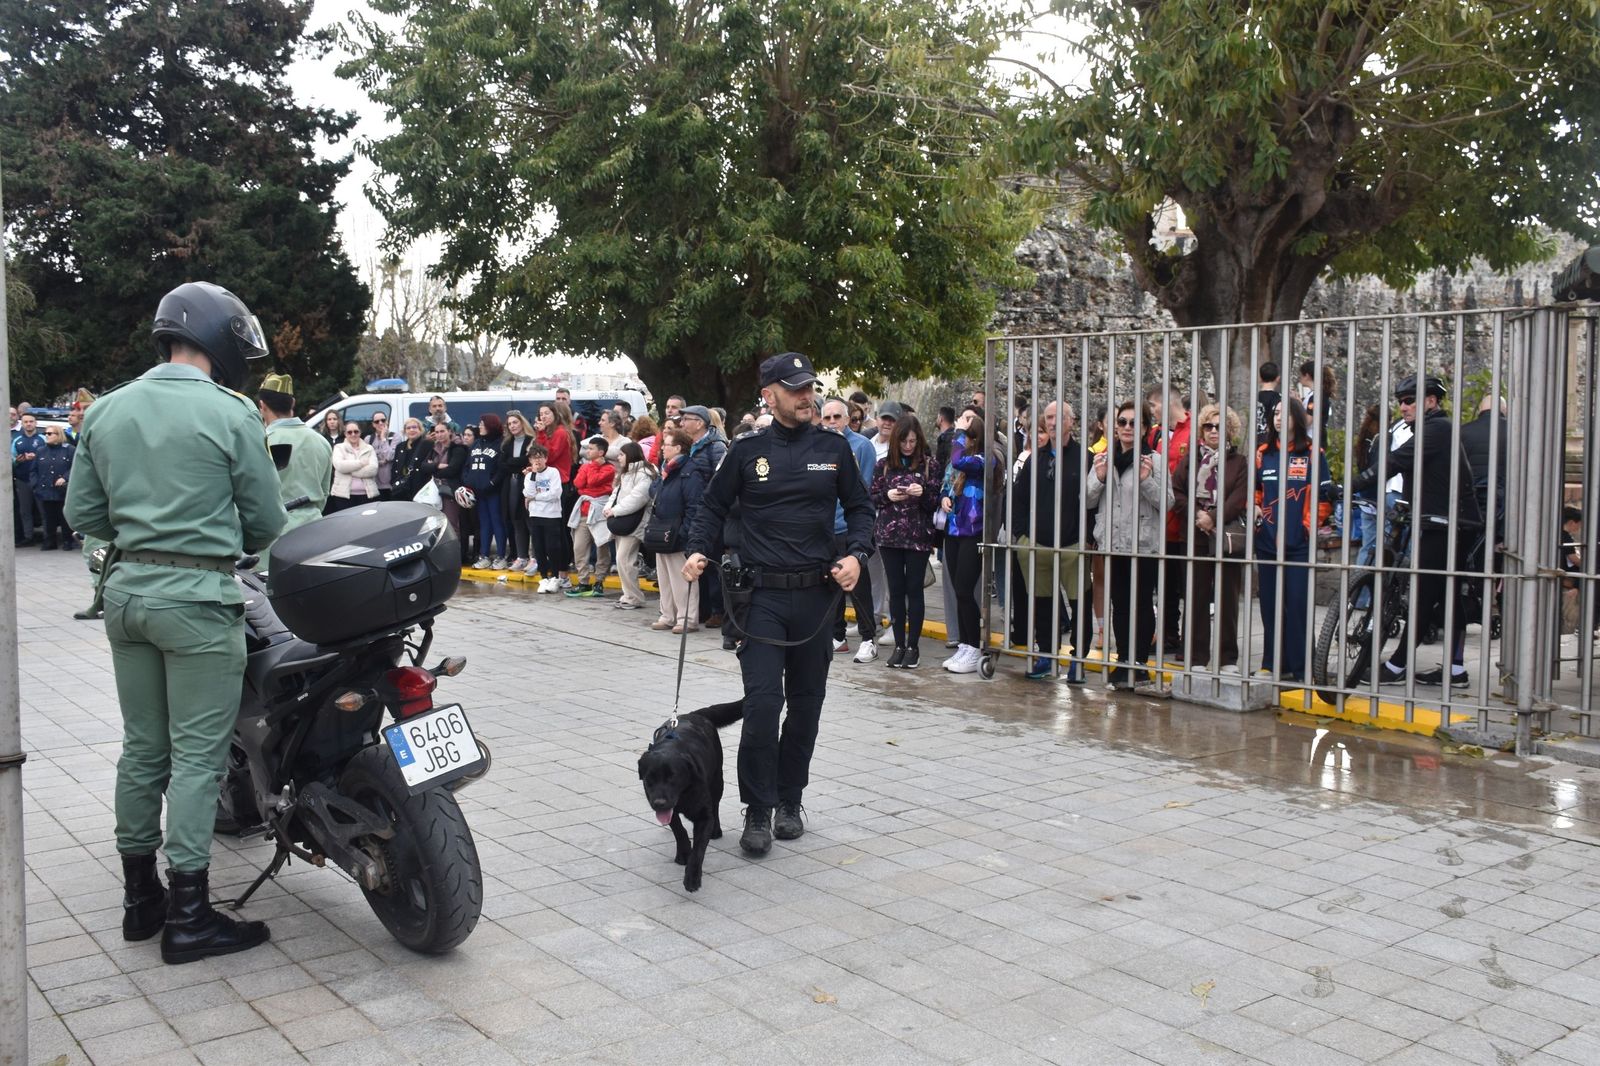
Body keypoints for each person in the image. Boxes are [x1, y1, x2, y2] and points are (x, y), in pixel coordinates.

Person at [64, 280, 287, 964]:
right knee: (196, 756)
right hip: (197, 600)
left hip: (126, 595)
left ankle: (141, 903)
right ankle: (190, 914)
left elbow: (83, 516)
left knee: (143, 750)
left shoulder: (105, 411)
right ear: (220, 339)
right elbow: (267, 521)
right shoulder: (231, 413)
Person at [683, 352, 872, 856]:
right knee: (764, 707)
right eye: (794, 389)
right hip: (761, 600)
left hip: (817, 598)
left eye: (809, 386)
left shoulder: (834, 449)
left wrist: (857, 554)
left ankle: (791, 799)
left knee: (807, 708)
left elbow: (860, 509)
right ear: (769, 395)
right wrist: (699, 549)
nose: (806, 395)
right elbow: (712, 506)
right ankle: (758, 809)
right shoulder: (747, 452)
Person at [1351, 374, 1484, 687]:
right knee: (1446, 595)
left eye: (1410, 400)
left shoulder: (1437, 428)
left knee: (1425, 592)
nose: (1403, 407)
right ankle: (1455, 671)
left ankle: (1397, 666)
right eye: (1400, 401)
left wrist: (1353, 485)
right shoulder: (1428, 429)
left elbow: (1395, 462)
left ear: (1431, 401)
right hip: (1443, 521)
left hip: (1450, 525)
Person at [1086, 399, 1172, 689]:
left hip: (1142, 544)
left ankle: (1139, 664)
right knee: (1119, 605)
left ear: (1146, 427)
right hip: (1112, 543)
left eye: (1135, 423)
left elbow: (1168, 502)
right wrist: (1098, 479)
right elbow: (1085, 499)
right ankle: (1123, 662)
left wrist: (1147, 480)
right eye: (1122, 422)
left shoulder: (1155, 460)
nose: (1127, 428)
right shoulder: (1103, 459)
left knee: (1142, 604)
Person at [1253, 396, 1334, 681]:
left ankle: (1303, 668)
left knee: (1298, 605)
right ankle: (1273, 664)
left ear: (1297, 418)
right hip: (1267, 542)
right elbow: (1256, 490)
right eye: (1274, 413)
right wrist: (1255, 508)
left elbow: (1324, 497)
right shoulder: (1263, 452)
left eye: (1284, 413)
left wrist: (1308, 527)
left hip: (1298, 544)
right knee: (1271, 607)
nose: (1277, 418)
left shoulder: (1313, 453)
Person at [1010, 401, 1088, 682]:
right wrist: (1021, 538)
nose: (1053, 422)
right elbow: (1018, 500)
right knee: (1042, 602)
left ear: (1072, 421)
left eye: (1059, 417)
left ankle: (1078, 658)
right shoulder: (1035, 459)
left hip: (1072, 545)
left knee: (1080, 603)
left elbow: (1093, 502)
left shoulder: (1084, 457)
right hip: (1037, 544)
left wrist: (1087, 539)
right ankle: (1046, 654)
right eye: (1049, 417)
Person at [1172, 404, 1248, 670]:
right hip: (1194, 535)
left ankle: (1228, 658)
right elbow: (1177, 491)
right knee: (1196, 598)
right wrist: (1197, 515)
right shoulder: (1191, 458)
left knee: (1228, 599)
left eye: (1219, 426)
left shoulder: (1239, 462)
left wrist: (1212, 518)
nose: (1214, 431)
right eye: (1209, 426)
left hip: (1225, 536)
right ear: (1202, 429)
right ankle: (1196, 657)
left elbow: (1239, 497)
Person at [870, 413, 940, 668]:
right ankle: (899, 644)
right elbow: (873, 497)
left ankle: (913, 646)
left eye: (912, 441)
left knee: (914, 591)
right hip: (889, 536)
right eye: (904, 441)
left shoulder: (929, 465)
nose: (908, 446)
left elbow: (935, 502)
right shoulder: (884, 465)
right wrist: (888, 495)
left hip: (918, 537)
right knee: (895, 592)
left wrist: (922, 494)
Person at [820, 397, 882, 661]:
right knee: (829, 586)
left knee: (859, 586)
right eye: (827, 417)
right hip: (825, 527)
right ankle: (837, 636)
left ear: (848, 419)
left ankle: (869, 638)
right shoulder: (819, 446)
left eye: (837, 416)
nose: (832, 421)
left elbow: (862, 489)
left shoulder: (861, 445)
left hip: (850, 527)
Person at [255, 374, 331, 570]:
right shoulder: (321, 441)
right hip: (314, 534)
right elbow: (323, 495)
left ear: (262, 406)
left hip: (272, 540)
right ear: (293, 403)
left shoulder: (260, 442)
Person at [939, 408, 994, 673]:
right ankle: (964, 644)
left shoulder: (986, 459)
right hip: (954, 531)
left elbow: (958, 460)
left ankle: (974, 646)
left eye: (971, 436)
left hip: (973, 533)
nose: (965, 440)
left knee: (964, 589)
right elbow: (952, 478)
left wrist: (959, 432)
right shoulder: (964, 463)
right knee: (959, 590)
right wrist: (946, 498)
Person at [649, 428, 703, 633]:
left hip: (677, 533)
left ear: (679, 448)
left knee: (681, 578)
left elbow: (694, 506)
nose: (663, 448)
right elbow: (653, 491)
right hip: (662, 531)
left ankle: (687, 619)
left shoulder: (690, 471)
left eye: (667, 445)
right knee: (665, 578)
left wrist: (685, 532)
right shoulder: (666, 470)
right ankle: (668, 615)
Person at [606, 441, 656, 610]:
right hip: (623, 522)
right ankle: (628, 595)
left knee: (624, 560)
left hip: (635, 523)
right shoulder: (626, 473)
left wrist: (615, 510)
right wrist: (609, 508)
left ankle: (635, 597)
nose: (618, 457)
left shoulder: (643, 474)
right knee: (623, 561)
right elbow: (616, 493)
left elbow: (637, 498)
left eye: (621, 454)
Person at [567, 436, 616, 595]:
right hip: (583, 511)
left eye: (591, 449)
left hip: (599, 512)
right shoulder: (586, 466)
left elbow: (594, 481)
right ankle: (583, 581)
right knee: (579, 548)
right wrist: (590, 470)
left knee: (602, 548)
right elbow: (578, 484)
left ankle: (599, 580)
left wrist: (592, 468)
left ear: (601, 452)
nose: (587, 451)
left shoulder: (609, 468)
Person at [464, 414, 508, 568]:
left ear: (491, 425)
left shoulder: (500, 444)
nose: (480, 426)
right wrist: (467, 482)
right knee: (484, 524)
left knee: (497, 523)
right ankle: (484, 555)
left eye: (483, 424)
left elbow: (501, 469)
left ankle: (501, 556)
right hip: (478, 493)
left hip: (493, 492)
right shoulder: (475, 444)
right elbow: (467, 466)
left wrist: (491, 483)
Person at [522, 444, 566, 590]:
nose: (537, 461)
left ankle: (554, 577)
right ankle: (544, 578)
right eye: (534, 458)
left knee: (552, 547)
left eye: (540, 457)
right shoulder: (529, 476)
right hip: (535, 515)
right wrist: (533, 475)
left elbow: (555, 494)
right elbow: (528, 493)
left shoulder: (553, 472)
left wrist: (535, 497)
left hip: (551, 515)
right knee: (539, 547)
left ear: (546, 458)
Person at [500, 410, 536, 572]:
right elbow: (501, 464)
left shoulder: (531, 440)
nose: (512, 426)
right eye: (510, 424)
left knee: (530, 521)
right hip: (511, 484)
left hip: (527, 483)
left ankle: (534, 558)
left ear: (522, 423)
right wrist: (515, 463)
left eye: (515, 422)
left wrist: (512, 462)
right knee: (516, 520)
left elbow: (527, 460)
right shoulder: (506, 443)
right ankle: (521, 557)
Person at [31, 424, 76, 550]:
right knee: (48, 518)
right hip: (45, 490)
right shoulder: (41, 450)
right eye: (46, 433)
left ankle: (68, 541)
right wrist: (35, 484)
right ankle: (50, 542)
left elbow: (75, 467)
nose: (47, 436)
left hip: (62, 490)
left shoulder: (69, 449)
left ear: (58, 435)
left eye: (50, 434)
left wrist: (65, 478)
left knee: (64, 517)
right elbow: (33, 470)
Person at [426, 420, 469, 536]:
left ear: (449, 431)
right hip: (436, 491)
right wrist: (437, 466)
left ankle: (457, 552)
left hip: (450, 491)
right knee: (437, 525)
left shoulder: (458, 448)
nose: (439, 434)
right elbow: (423, 466)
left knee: (452, 524)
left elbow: (452, 470)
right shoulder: (434, 448)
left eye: (442, 431)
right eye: (437, 432)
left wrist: (433, 470)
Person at [327, 422, 380, 514]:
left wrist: (349, 470)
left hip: (367, 496)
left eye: (356, 431)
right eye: (349, 432)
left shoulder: (369, 448)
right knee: (346, 526)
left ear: (360, 433)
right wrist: (361, 463)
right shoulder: (339, 447)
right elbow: (340, 466)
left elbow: (373, 470)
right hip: (343, 497)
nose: (353, 434)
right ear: (345, 434)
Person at [12, 412, 46, 545]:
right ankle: (28, 537)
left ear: (35, 423)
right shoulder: (17, 440)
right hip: (22, 479)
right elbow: (11, 460)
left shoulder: (43, 438)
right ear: (22, 423)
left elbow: (50, 458)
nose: (29, 424)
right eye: (26, 422)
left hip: (40, 480)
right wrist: (18, 460)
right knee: (24, 510)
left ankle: (48, 537)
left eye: (31, 421)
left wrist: (36, 458)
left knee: (43, 510)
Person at [389, 417, 433, 502]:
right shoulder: (400, 446)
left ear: (420, 430)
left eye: (414, 427)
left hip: (420, 490)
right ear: (405, 431)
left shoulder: (427, 444)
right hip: (401, 490)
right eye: (408, 428)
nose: (411, 430)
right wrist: (394, 482)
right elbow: (395, 467)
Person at [366, 411, 398, 499]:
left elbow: (390, 456)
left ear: (387, 421)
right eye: (377, 421)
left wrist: (383, 438)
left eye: (383, 420)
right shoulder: (368, 439)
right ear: (373, 424)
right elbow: (367, 460)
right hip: (374, 484)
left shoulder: (395, 436)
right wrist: (380, 462)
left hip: (391, 484)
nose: (380, 423)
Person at [1255, 361, 1281, 446]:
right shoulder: (1280, 398)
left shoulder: (1254, 398)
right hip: (1273, 441)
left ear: (1260, 378)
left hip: (1255, 440)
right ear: (1278, 378)